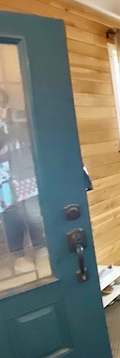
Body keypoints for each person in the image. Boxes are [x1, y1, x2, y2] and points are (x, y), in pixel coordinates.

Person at [0, 89, 45, 274]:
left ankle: (40, 248)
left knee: (34, 212)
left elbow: (31, 136)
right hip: (4, 179)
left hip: (26, 174)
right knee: (12, 216)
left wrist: (11, 122)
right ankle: (18, 257)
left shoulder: (16, 118)